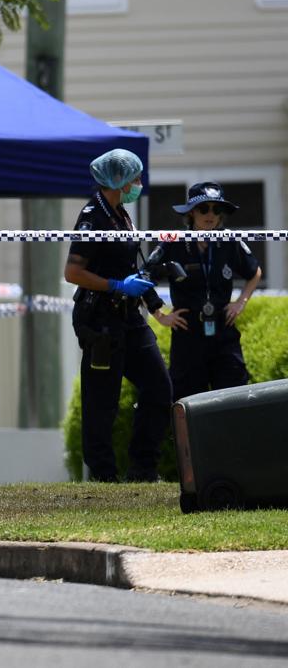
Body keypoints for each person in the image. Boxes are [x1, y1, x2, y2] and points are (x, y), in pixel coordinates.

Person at [65, 149, 172, 482]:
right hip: (101, 321)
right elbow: (72, 272)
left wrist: (153, 303)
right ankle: (104, 477)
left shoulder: (121, 214)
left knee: (159, 388)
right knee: (102, 403)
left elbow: (130, 266)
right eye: (135, 178)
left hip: (129, 318)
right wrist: (114, 285)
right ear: (120, 180)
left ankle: (143, 468)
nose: (139, 184)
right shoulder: (92, 216)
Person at [152, 182, 262, 400]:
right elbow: (144, 277)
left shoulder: (229, 240)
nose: (210, 215)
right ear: (192, 212)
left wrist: (241, 302)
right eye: (204, 208)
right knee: (187, 403)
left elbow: (255, 272)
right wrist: (160, 315)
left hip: (223, 330)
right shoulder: (173, 241)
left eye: (216, 209)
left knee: (235, 399)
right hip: (187, 334)